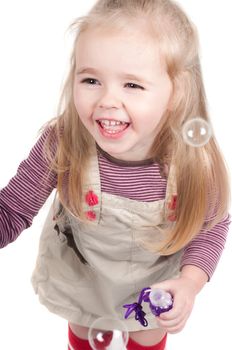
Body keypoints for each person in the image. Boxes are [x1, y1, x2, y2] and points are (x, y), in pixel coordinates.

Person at [0, 0, 231, 349]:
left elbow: (210, 227)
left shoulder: (192, 161)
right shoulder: (64, 143)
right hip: (85, 274)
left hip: (154, 282)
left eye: (132, 86)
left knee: (147, 332)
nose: (108, 100)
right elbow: (12, 209)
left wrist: (189, 283)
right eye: (91, 79)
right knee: (84, 331)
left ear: (176, 93)